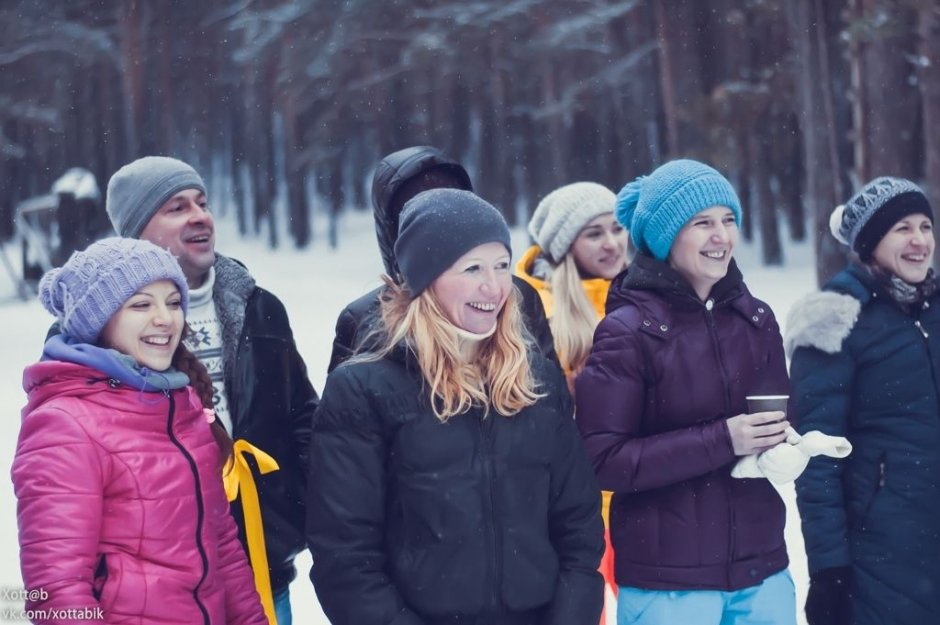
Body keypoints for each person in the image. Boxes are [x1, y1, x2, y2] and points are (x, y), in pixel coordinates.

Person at [307, 188, 604, 625]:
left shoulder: (536, 379)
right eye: (473, 268)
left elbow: (578, 530)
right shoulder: (363, 390)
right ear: (427, 279)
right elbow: (345, 557)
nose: (495, 286)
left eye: (502, 265)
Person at [576, 159, 795, 625]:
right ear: (665, 236)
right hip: (668, 586)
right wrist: (723, 440)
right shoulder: (627, 332)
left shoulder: (757, 320)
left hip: (763, 573)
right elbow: (602, 460)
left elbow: (775, 424)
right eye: (703, 223)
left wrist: (787, 446)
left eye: (729, 220)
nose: (722, 236)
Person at [105, 156, 318, 624]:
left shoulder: (259, 307)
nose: (200, 215)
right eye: (176, 207)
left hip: (260, 562)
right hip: (154, 585)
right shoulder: (104, 325)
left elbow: (303, 414)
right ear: (137, 231)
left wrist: (291, 507)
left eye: (202, 202)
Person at [13, 237, 267, 624]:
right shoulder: (64, 424)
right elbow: (55, 590)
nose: (166, 318)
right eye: (141, 304)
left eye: (173, 302)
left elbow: (223, 549)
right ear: (99, 321)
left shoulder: (182, 407)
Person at [787, 177, 940, 625]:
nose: (919, 241)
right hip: (881, 551)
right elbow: (817, 462)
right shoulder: (834, 320)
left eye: (926, 227)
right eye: (902, 229)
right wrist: (828, 568)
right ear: (871, 242)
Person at [328, 145, 557, 373]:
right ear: (394, 228)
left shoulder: (517, 297)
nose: (491, 288)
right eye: (421, 214)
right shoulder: (363, 318)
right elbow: (347, 402)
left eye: (453, 206)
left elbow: (547, 392)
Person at [516, 181, 628, 624]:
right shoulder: (534, 308)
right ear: (566, 245)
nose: (612, 243)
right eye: (594, 233)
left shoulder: (641, 296)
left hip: (637, 491)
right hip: (572, 504)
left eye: (617, 229)